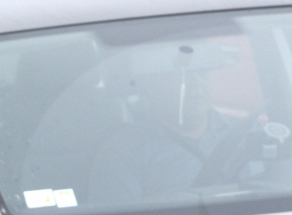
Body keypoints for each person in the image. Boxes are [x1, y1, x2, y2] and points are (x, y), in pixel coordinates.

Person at [87, 55, 238, 205]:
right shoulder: (123, 150)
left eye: (202, 72)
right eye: (180, 75)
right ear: (152, 83)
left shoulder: (244, 133)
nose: (195, 82)